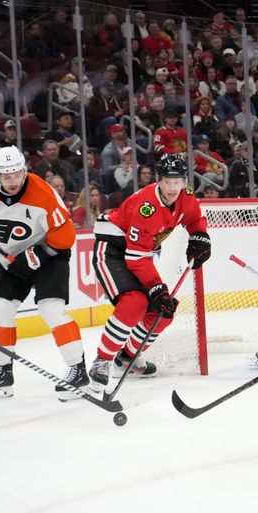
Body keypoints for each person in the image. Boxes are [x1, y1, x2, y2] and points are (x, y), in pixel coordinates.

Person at [0, 147, 88, 401]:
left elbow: (65, 236)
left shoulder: (43, 193)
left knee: (51, 309)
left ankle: (78, 371)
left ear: (25, 171)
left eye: (17, 174)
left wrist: (36, 256)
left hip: (50, 254)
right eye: (7, 176)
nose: (13, 182)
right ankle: (3, 373)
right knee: (0, 309)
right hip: (12, 260)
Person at [88, 153, 211, 388]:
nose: (173, 187)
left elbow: (195, 218)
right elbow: (135, 259)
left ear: (184, 181)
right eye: (167, 182)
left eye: (177, 182)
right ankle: (102, 361)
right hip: (113, 249)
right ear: (158, 180)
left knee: (164, 311)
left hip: (138, 254)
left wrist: (200, 236)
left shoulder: (187, 195)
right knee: (135, 302)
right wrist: (157, 287)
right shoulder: (146, 208)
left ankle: (126, 359)